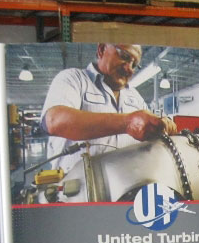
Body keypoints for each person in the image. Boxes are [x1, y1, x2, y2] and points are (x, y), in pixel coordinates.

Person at [40, 42, 177, 183]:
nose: (129, 69)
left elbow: (148, 130)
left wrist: (161, 124)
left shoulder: (134, 96)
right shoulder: (74, 79)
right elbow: (54, 121)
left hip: (125, 187)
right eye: (124, 56)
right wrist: (127, 123)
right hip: (77, 189)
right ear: (101, 50)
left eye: (134, 64)